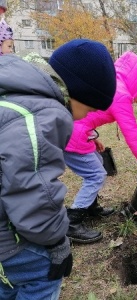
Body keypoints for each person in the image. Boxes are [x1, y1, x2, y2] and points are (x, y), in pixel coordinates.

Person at [0, 39, 116, 299]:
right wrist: (57, 241)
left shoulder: (14, 89)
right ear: (76, 91)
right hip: (7, 240)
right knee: (44, 273)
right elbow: (34, 193)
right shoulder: (40, 117)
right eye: (88, 109)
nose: (84, 118)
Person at [64, 51, 137, 243]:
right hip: (70, 135)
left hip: (74, 130)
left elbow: (87, 116)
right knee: (96, 174)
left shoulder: (113, 82)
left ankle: (90, 207)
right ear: (136, 82)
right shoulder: (120, 94)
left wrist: (90, 136)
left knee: (96, 163)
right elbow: (133, 135)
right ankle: (72, 222)